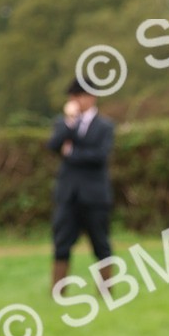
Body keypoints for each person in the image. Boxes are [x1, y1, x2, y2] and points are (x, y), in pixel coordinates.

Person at [47, 76, 115, 294]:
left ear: (92, 97)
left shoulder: (105, 126)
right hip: (68, 195)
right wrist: (69, 123)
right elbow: (53, 146)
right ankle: (58, 291)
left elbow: (99, 156)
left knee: (100, 244)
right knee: (62, 243)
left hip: (95, 195)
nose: (76, 100)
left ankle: (105, 291)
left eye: (79, 96)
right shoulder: (63, 123)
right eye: (72, 97)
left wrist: (72, 152)